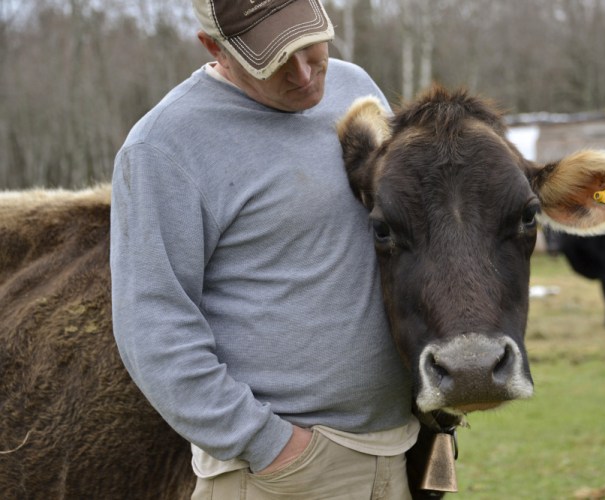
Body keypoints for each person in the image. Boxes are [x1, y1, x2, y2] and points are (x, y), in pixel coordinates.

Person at [109, 1, 417, 498]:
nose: (302, 73)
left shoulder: (354, 87)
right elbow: (153, 326)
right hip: (281, 475)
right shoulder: (164, 147)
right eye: (272, 59)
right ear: (214, 47)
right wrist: (270, 445)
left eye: (307, 45)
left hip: (394, 448)